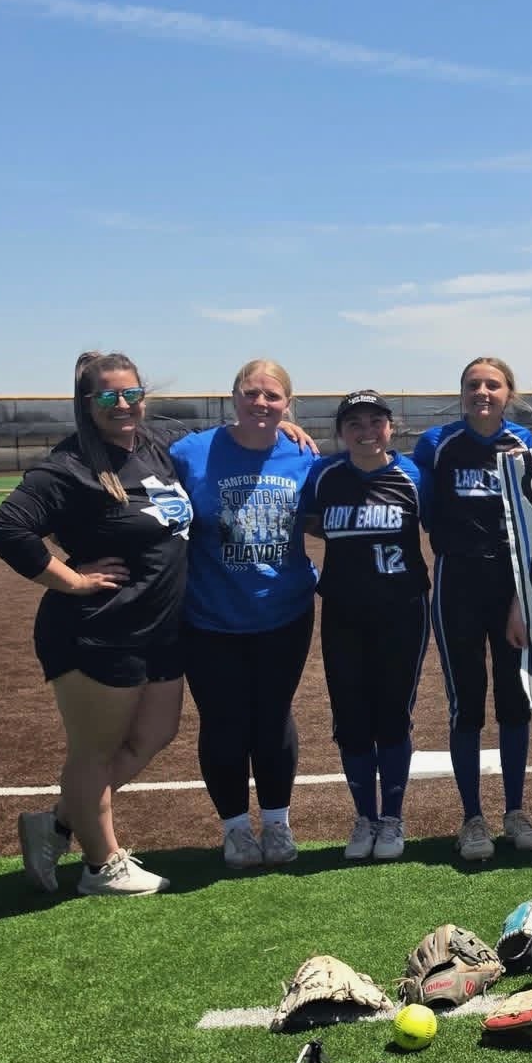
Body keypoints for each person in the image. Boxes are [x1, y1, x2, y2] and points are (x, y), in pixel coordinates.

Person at [0, 351, 191, 897]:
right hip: (99, 628)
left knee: (154, 734)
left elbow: (224, 435)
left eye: (130, 393)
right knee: (95, 751)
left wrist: (285, 423)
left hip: (161, 628)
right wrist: (72, 581)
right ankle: (102, 865)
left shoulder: (155, 445)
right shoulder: (71, 465)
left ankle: (56, 823)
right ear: (86, 403)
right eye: (107, 396)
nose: (121, 404)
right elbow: (8, 528)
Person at [170, 359, 321, 869]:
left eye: (272, 397)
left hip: (285, 613)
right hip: (209, 617)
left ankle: (276, 824)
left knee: (273, 717)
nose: (261, 403)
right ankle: (235, 829)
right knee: (223, 723)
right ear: (232, 397)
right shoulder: (191, 453)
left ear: (288, 404)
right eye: (251, 393)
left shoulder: (302, 454)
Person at [413, 357, 532, 862]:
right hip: (457, 583)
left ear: (510, 392)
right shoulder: (436, 444)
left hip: (511, 588)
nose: (482, 392)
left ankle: (515, 810)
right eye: (473, 385)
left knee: (514, 700)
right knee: (466, 702)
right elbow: (420, 505)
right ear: (462, 392)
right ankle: (472, 818)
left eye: (493, 384)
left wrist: (520, 600)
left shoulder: (524, 445)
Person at [296, 391, 428, 862]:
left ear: (390, 427)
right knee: (351, 717)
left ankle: (392, 817)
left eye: (376, 420)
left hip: (402, 612)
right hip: (345, 613)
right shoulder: (325, 474)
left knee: (393, 714)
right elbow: (312, 522)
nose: (366, 429)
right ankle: (363, 818)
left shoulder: (412, 476)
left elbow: (437, 524)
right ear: (340, 431)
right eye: (355, 422)